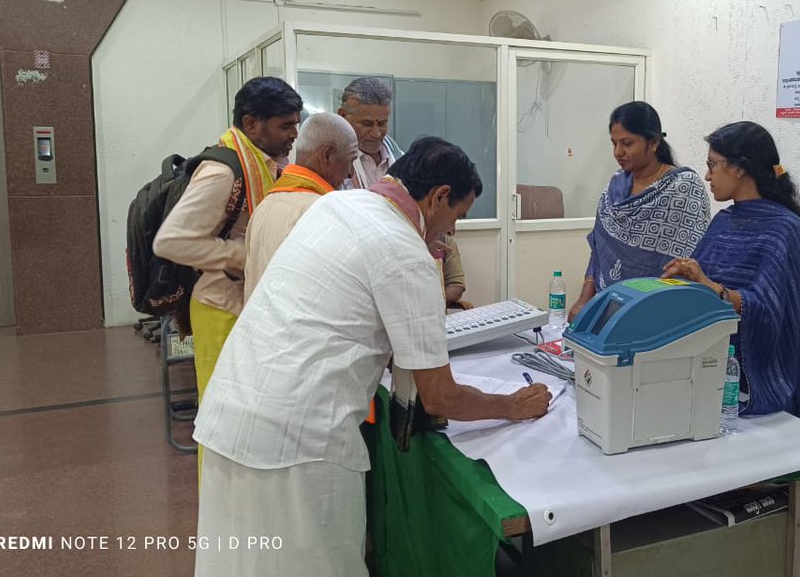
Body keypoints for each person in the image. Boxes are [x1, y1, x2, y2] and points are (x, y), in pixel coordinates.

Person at [191, 136, 550, 576]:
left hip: (230, 414)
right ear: (438, 197)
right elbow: (438, 397)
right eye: (457, 214)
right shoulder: (404, 251)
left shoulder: (335, 206)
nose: (453, 230)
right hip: (297, 445)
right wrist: (512, 406)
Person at [662, 121, 800, 423]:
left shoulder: (786, 229)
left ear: (739, 167)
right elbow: (702, 288)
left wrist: (707, 284)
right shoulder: (724, 221)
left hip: (760, 376)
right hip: (712, 365)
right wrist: (683, 277)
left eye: (713, 164)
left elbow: (766, 311)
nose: (708, 175)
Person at [154, 76, 302, 409]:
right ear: (251, 123)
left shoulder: (265, 164)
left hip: (245, 308)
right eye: (286, 125)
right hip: (221, 310)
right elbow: (171, 241)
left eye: (297, 124)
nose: (294, 133)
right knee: (220, 417)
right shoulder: (222, 172)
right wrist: (242, 255)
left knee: (244, 416)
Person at [568, 101, 710, 321]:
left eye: (627, 143)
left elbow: (691, 259)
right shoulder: (616, 185)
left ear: (653, 142)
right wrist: (584, 300)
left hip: (660, 314)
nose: (618, 152)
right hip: (609, 309)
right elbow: (598, 250)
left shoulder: (682, 187)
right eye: (614, 143)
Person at [243, 112, 358, 302]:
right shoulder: (321, 212)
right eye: (351, 161)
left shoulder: (267, 203)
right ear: (327, 155)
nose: (350, 174)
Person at [337, 76, 404, 189]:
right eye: (367, 124)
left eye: (382, 124)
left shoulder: (402, 160)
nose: (376, 133)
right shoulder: (332, 164)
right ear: (343, 116)